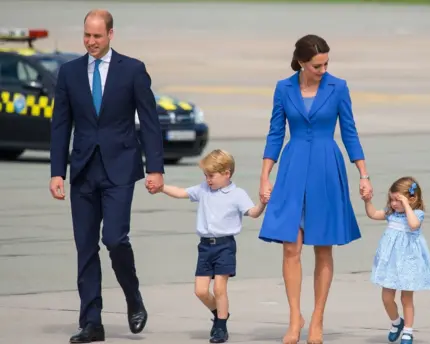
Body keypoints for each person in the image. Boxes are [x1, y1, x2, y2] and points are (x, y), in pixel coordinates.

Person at [49, 9, 165, 343]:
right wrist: (58, 172)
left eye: (97, 36)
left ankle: (133, 296)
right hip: (83, 170)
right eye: (86, 35)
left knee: (114, 238)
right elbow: (60, 127)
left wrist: (154, 167)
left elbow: (150, 121)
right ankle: (92, 322)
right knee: (85, 247)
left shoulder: (132, 70)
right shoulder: (69, 73)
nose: (91, 42)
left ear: (111, 35)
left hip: (120, 168)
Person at [258, 34, 373, 344]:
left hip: (326, 164)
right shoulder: (283, 88)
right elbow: (274, 134)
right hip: (293, 165)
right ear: (300, 62)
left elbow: (349, 131)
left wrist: (363, 174)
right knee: (290, 246)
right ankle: (295, 317)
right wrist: (265, 176)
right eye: (316, 65)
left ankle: (317, 318)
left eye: (326, 64)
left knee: (323, 246)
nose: (323, 70)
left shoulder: (339, 87)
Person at [156, 149, 267, 343]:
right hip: (205, 246)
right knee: (200, 290)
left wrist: (263, 203)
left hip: (225, 246)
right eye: (205, 175)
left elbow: (254, 212)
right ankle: (219, 313)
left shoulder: (237, 194)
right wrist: (162, 187)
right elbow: (182, 192)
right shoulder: (203, 189)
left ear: (227, 174)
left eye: (211, 176)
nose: (207, 180)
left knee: (219, 289)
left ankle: (221, 328)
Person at [362, 176, 430, 344]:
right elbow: (373, 214)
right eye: (391, 199)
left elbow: (414, 225)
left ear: (411, 199)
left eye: (398, 200)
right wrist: (367, 201)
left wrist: (407, 206)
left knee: (406, 298)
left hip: (408, 262)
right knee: (387, 297)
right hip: (391, 263)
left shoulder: (417, 214)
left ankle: (408, 330)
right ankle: (396, 322)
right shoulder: (391, 214)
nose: (393, 204)